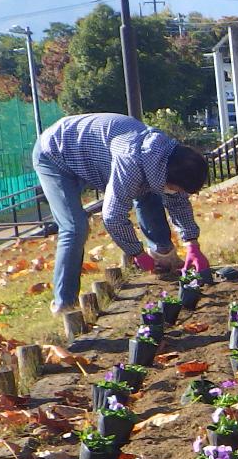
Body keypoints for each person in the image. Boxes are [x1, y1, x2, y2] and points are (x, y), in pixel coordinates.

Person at [33, 112, 210, 314]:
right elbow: (113, 216)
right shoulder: (132, 161)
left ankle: (163, 255)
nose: (178, 193)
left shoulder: (165, 160)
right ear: (167, 177)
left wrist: (192, 243)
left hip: (90, 148)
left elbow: (177, 200)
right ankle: (65, 303)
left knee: (149, 192)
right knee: (74, 227)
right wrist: (137, 253)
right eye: (177, 188)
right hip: (56, 151)